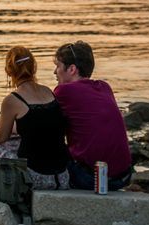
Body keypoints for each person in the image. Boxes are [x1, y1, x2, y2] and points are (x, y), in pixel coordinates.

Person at [0, 46, 70, 190]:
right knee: (17, 141)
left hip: (35, 177)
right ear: (34, 67)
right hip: (62, 177)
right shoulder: (48, 91)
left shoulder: (13, 100)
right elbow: (25, 126)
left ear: (8, 71)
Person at [52, 41, 134, 190]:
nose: (54, 72)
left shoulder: (63, 91)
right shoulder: (104, 87)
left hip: (91, 179)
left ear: (71, 69)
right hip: (123, 176)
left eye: (57, 66)